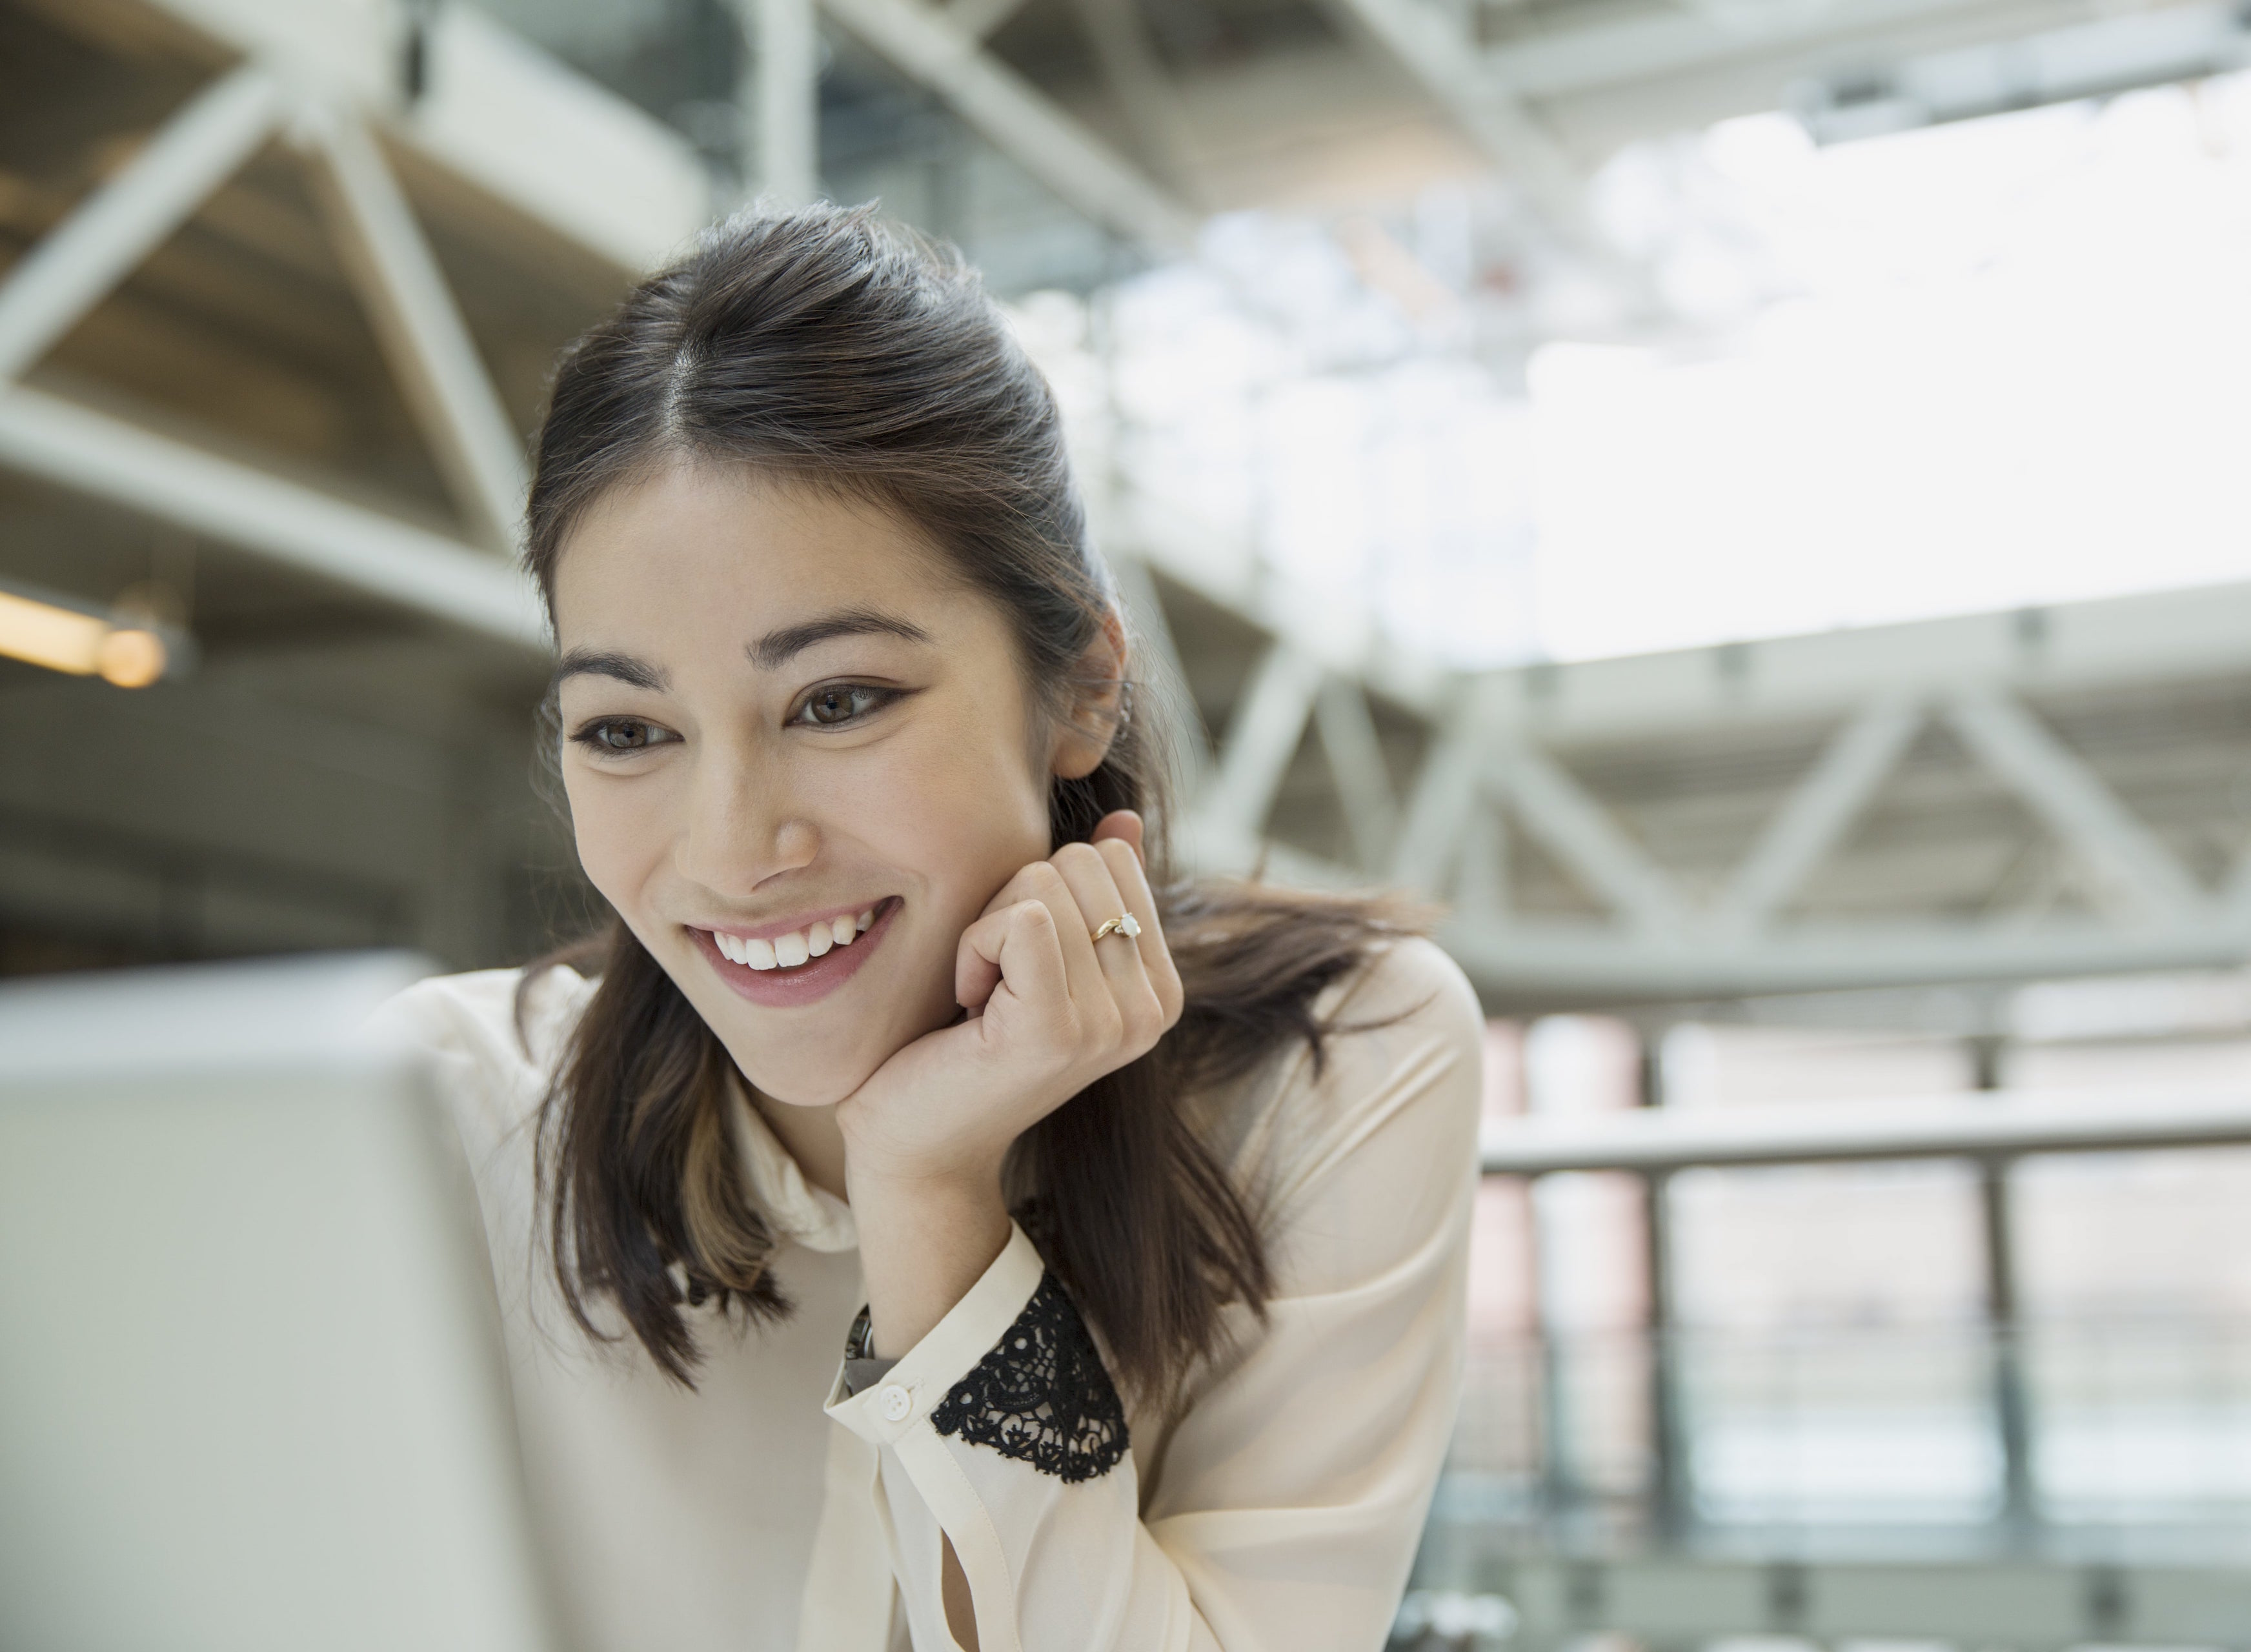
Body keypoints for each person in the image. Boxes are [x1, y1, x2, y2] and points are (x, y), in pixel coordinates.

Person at [372, 201, 1486, 1652]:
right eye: (629, 726)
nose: (730, 850)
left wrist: (932, 1194)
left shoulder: (1338, 1058)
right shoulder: (430, 1108)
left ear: (1082, 686)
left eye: (838, 700)